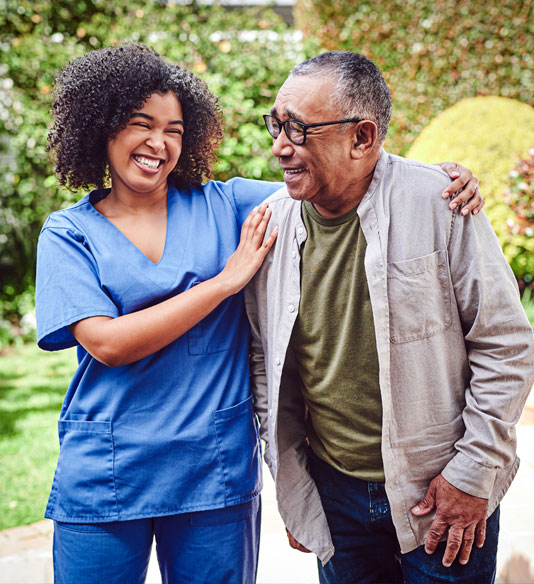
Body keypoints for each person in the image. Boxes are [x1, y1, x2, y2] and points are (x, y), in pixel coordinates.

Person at [36, 43, 481, 584]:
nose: (158, 143)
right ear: (101, 128)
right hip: (107, 476)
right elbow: (106, 343)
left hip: (212, 474)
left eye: (174, 129)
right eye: (140, 124)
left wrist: (438, 180)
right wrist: (225, 283)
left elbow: (346, 174)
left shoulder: (231, 205)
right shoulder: (68, 233)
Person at [245, 50, 534, 584]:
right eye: (277, 124)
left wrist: (472, 474)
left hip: (442, 494)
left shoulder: (440, 201)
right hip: (334, 497)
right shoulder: (270, 225)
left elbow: (507, 345)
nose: (280, 146)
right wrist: (296, 490)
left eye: (299, 129)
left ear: (363, 137)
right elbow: (267, 362)